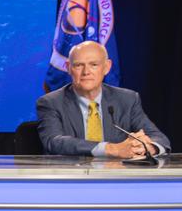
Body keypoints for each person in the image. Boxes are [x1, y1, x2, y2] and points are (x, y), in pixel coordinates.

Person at [36, 41, 170, 157]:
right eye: (78, 65)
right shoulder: (50, 102)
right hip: (71, 178)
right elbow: (54, 142)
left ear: (106, 67)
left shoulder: (127, 99)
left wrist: (147, 147)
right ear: (68, 67)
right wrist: (111, 149)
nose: (86, 72)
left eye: (94, 64)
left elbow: (159, 138)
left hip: (116, 179)